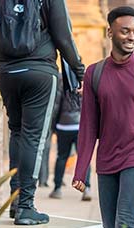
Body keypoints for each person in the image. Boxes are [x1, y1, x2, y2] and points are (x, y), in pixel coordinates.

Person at [0, 0, 85, 225]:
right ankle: (26, 206)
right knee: (34, 137)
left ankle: (15, 202)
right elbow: (63, 36)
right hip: (39, 71)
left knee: (17, 133)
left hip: (7, 72)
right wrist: (79, 71)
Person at [73, 6, 134, 228]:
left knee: (125, 222)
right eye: (125, 31)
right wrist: (81, 169)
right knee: (109, 226)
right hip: (106, 160)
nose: (132, 37)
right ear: (110, 33)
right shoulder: (94, 73)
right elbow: (88, 125)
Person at [48, 61, 93, 201]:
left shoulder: (62, 80)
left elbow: (56, 105)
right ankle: (87, 188)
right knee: (84, 157)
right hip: (81, 126)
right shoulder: (87, 81)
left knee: (61, 157)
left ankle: (57, 189)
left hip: (64, 125)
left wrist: (53, 125)